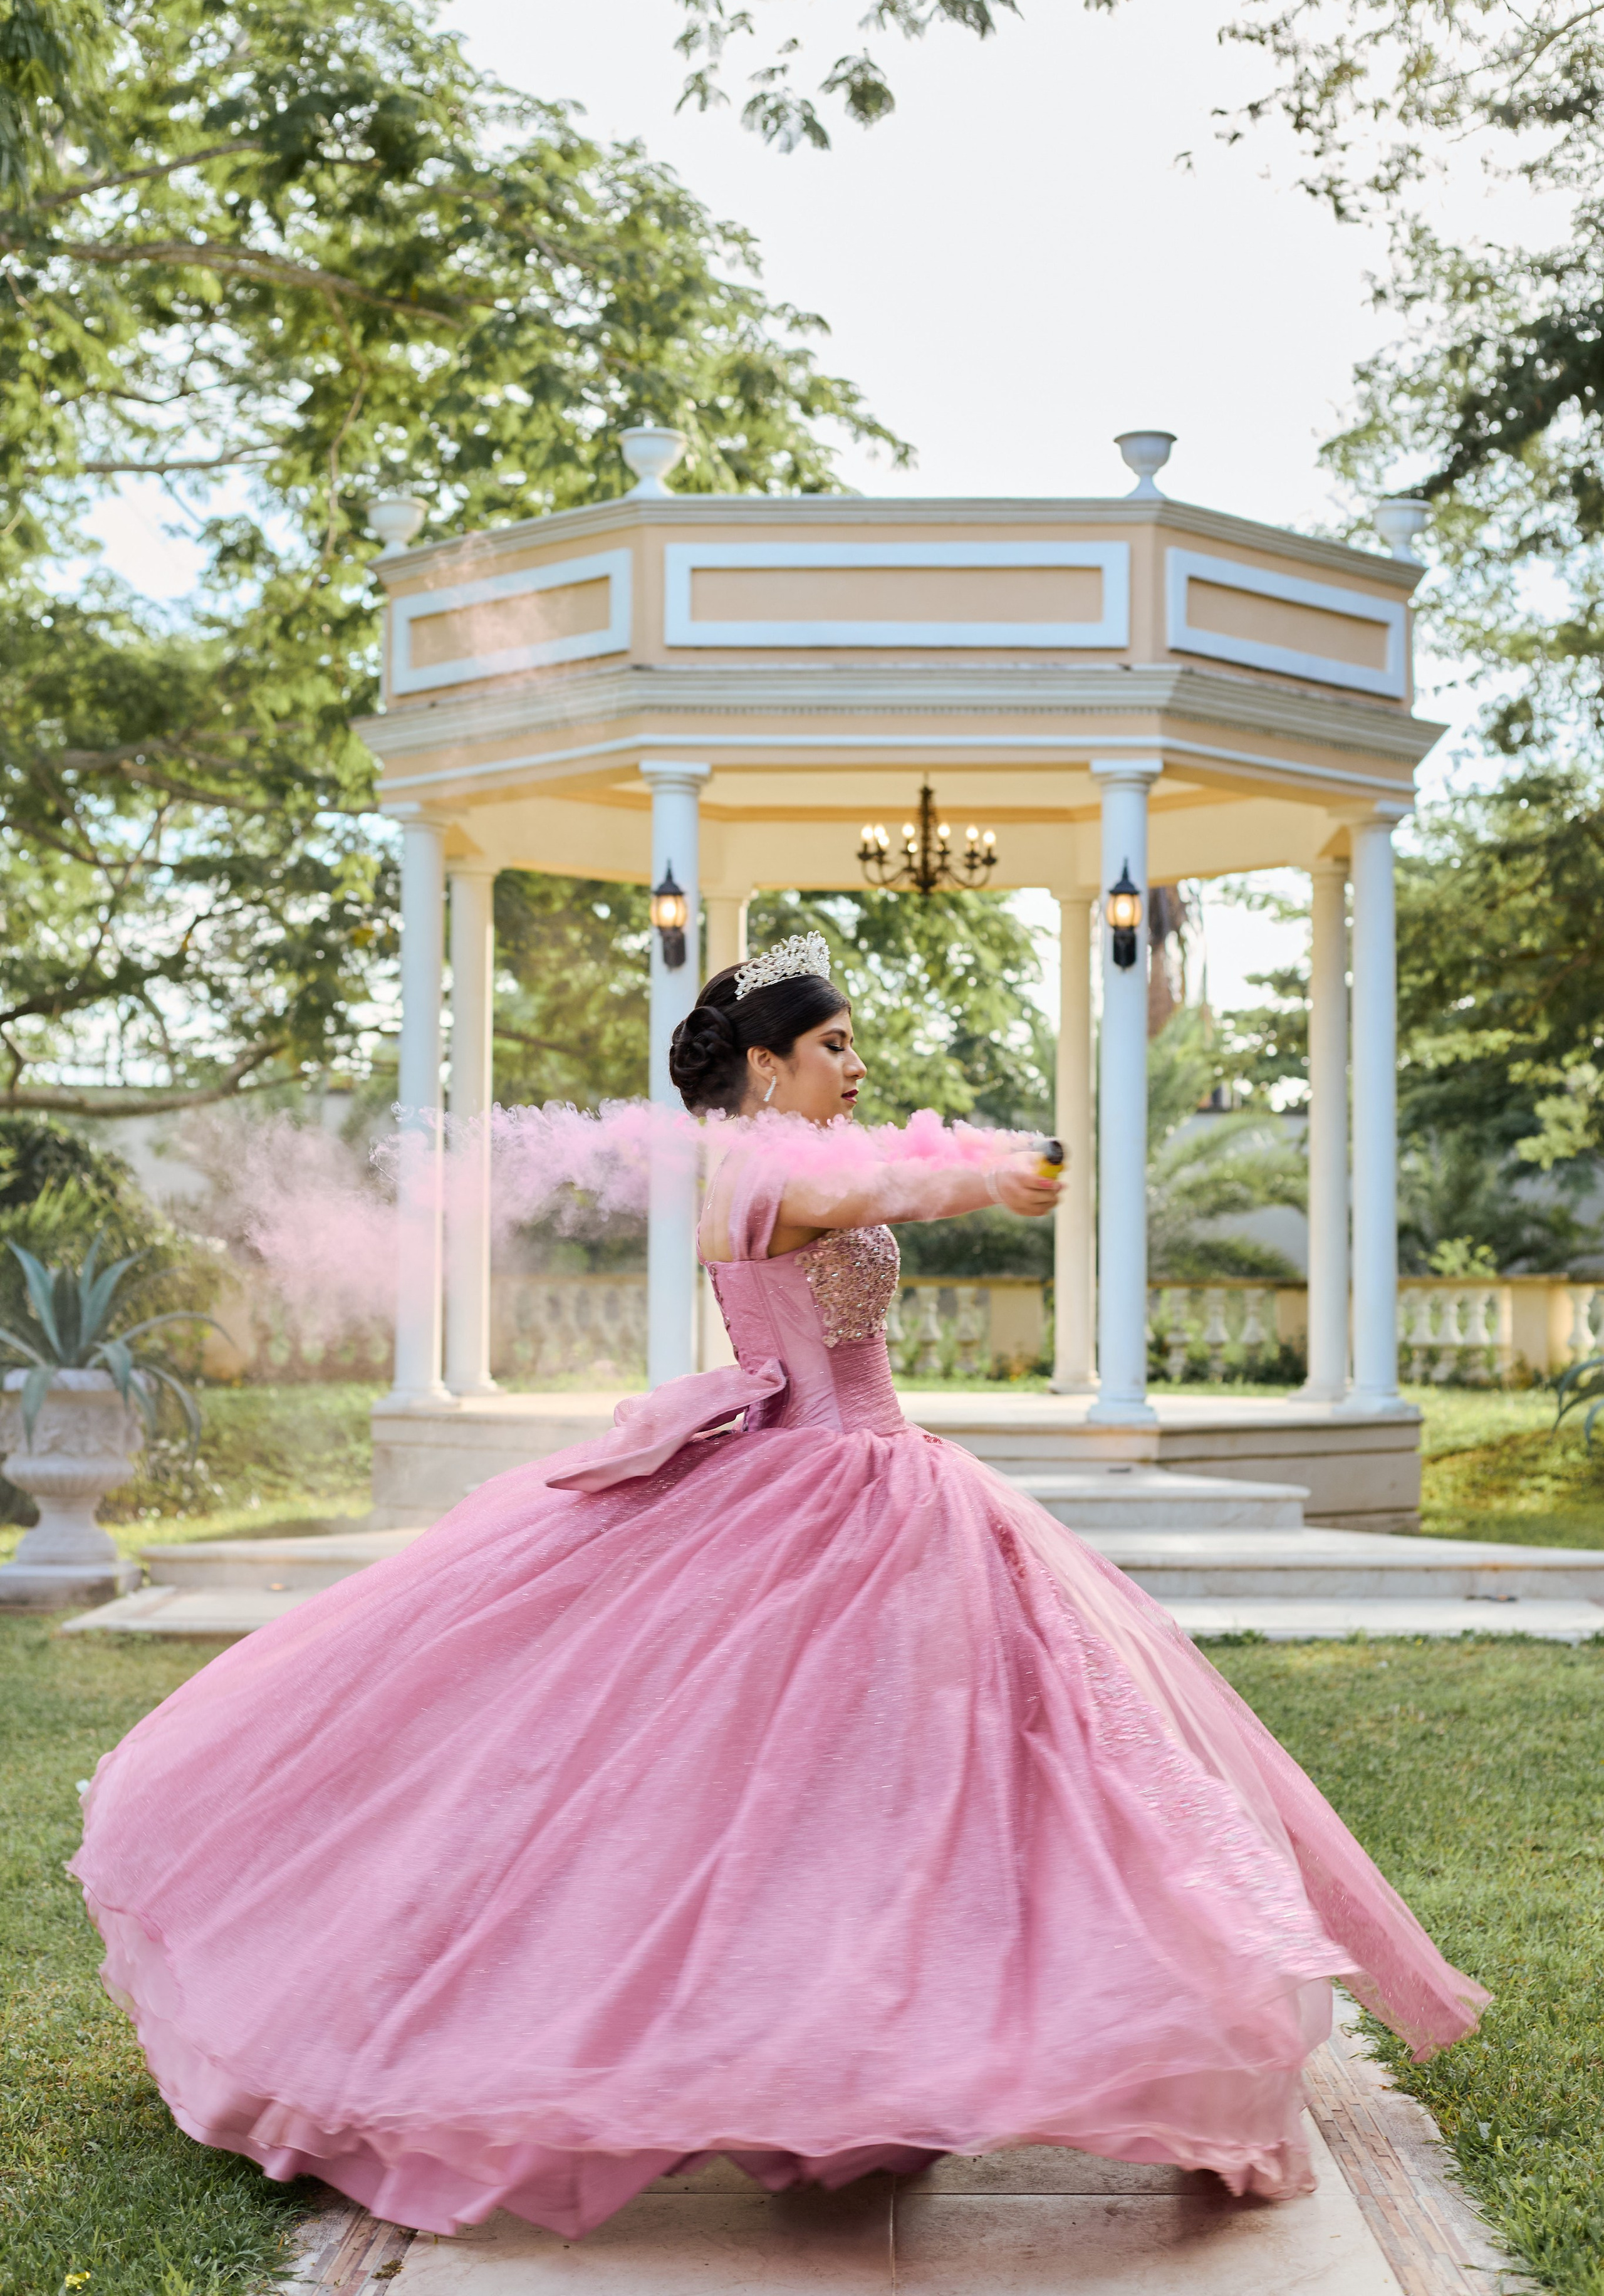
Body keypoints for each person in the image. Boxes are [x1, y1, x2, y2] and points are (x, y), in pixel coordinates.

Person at [71, 932, 1484, 2243]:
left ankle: (866, 2074)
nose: (858, 1068)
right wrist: (991, 1174)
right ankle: (832, 2058)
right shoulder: (774, 1178)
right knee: (841, 1789)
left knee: (908, 1781)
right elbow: (874, 1187)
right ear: (767, 1065)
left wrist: (979, 1165)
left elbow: (868, 1177)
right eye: (837, 1047)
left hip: (854, 1473)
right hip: (840, 1486)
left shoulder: (761, 1165)